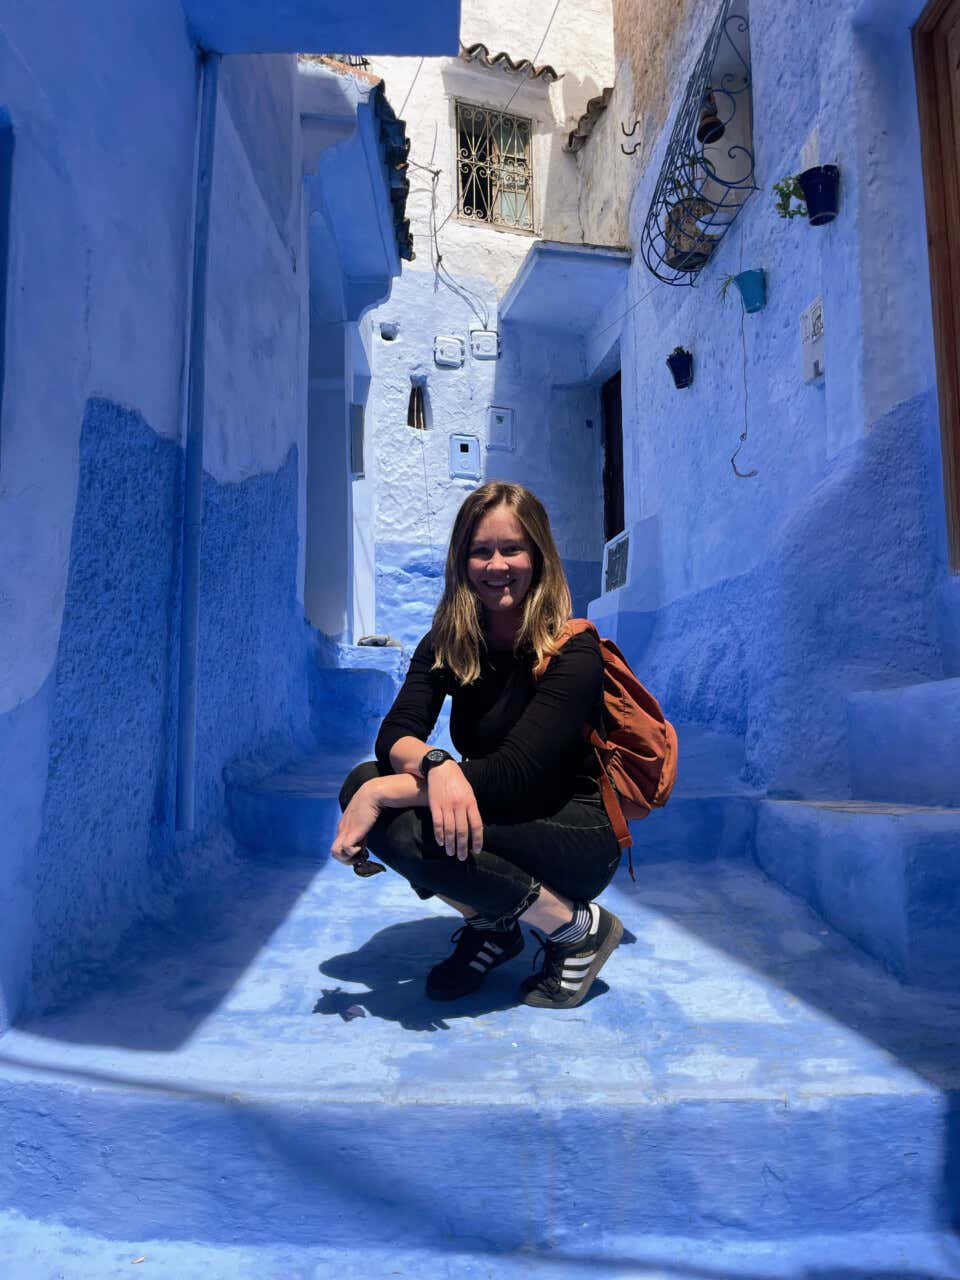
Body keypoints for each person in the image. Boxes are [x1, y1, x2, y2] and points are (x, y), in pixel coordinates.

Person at [333, 481, 624, 1010]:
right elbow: (394, 735)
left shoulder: (573, 649)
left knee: (382, 799)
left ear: (538, 556)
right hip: (493, 810)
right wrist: (437, 764)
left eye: (512, 549)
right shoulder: (449, 638)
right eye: (480, 551)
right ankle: (493, 924)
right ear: (461, 561)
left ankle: (576, 928)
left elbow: (518, 776)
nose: (496, 566)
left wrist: (389, 792)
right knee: (363, 780)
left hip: (575, 833)